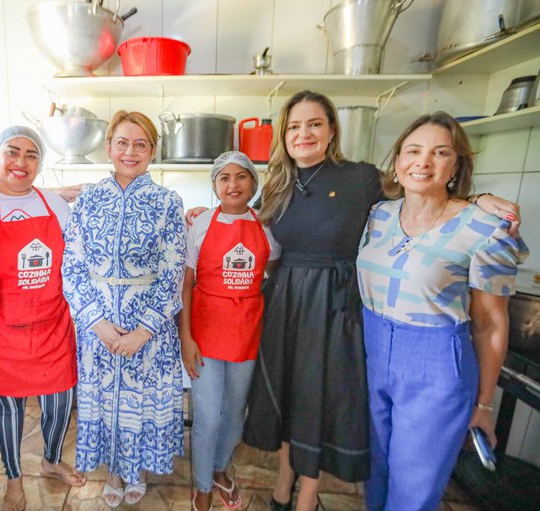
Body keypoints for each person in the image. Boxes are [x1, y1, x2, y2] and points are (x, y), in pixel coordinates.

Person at [182, 90, 520, 511]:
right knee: (288, 399)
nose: (304, 134)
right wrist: (202, 213)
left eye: (315, 124)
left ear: (332, 131)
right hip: (284, 306)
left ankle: (307, 497)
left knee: (318, 402)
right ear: (283, 135)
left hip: (336, 308)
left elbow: (423, 188)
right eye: (294, 126)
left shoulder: (361, 178)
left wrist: (476, 201)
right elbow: (247, 225)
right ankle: (282, 489)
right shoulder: (277, 185)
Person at [356, 112, 527, 511]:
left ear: (456, 166)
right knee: (374, 474)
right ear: (398, 161)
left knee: (413, 490)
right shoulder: (379, 215)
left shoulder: (484, 228)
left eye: (440, 152)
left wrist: (484, 405)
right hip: (373, 352)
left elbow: (491, 323)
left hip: (435, 366)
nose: (423, 161)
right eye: (413, 151)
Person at [62, 110, 186, 508]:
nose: (130, 152)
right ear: (109, 147)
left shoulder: (167, 202)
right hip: (97, 326)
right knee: (106, 403)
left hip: (149, 329)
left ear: (152, 150)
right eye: (122, 143)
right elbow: (72, 265)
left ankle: (139, 470)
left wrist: (143, 331)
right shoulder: (88, 199)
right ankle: (115, 471)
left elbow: (172, 273)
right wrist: (96, 323)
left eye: (140, 144)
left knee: (141, 402)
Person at [0, 125, 85, 511]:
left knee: (60, 400)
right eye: (12, 151)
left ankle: (51, 459)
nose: (21, 161)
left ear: (40, 163)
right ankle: (13, 477)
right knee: (8, 407)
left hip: (53, 322)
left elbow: (77, 257)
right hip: (1, 327)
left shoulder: (55, 205)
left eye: (31, 154)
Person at [178, 151, 281, 511]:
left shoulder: (266, 227)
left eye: (241, 177)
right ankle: (203, 484)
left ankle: (221, 468)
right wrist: (186, 338)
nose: (233, 184)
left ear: (253, 183)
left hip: (246, 331)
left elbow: (275, 272)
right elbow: (186, 283)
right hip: (205, 330)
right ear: (214, 186)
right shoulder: (200, 224)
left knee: (236, 412)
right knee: (207, 416)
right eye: (224, 178)